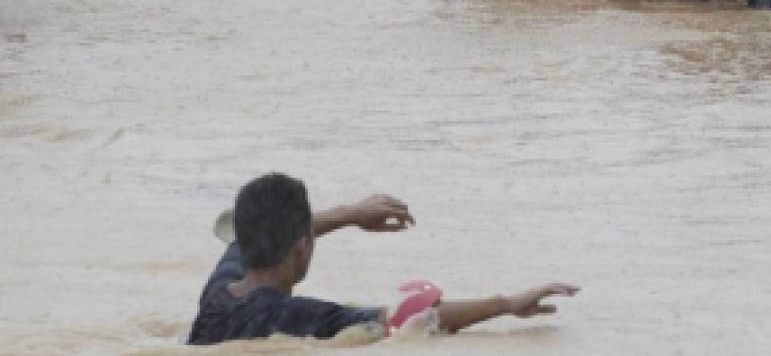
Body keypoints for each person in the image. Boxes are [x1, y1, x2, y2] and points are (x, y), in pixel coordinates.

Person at [189, 174, 575, 345]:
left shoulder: (217, 291)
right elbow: (410, 321)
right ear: (302, 248)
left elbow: (250, 237)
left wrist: (351, 213)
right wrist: (505, 304)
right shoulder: (298, 317)